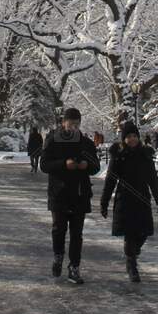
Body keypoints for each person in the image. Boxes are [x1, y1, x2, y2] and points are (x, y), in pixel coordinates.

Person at [101, 120, 158, 282]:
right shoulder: (119, 156)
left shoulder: (145, 155)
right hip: (125, 199)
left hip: (142, 199)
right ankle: (131, 265)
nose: (132, 139)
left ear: (139, 137)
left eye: (134, 136)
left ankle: (132, 253)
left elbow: (153, 180)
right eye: (128, 136)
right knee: (130, 233)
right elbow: (110, 180)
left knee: (143, 232)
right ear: (124, 139)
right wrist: (104, 202)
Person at [41, 107, 100, 283]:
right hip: (59, 193)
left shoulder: (86, 143)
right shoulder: (53, 140)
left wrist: (86, 166)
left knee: (77, 233)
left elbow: (96, 166)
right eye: (70, 123)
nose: (73, 127)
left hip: (79, 194)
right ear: (63, 122)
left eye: (76, 123)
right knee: (58, 229)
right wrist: (63, 164)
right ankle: (58, 255)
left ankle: (74, 266)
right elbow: (44, 165)